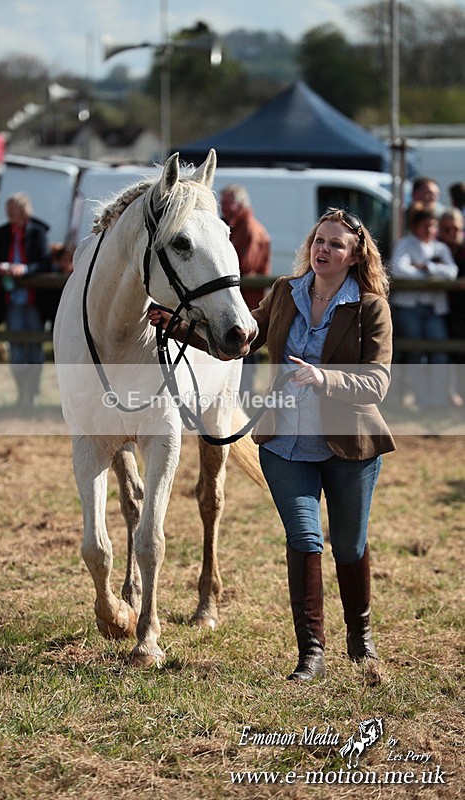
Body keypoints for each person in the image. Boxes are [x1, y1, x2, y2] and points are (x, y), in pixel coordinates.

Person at [149, 207, 395, 681]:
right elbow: (243, 338)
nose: (323, 249)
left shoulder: (369, 307)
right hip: (285, 444)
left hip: (350, 447)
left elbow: (378, 383)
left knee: (348, 546)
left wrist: (323, 378)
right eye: (319, 240)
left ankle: (360, 641)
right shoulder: (285, 292)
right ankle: (311, 654)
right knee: (304, 541)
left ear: (354, 256)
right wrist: (178, 327)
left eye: (335, 245)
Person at [0, 193, 51, 407]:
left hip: (33, 301)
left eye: (12, 209)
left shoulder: (38, 233)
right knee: (16, 349)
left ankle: (32, 393)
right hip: (11, 299)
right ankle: (21, 392)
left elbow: (44, 263)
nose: (9, 213)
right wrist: (0, 267)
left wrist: (25, 269)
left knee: (34, 348)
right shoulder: (1, 233)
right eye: (8, 209)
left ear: (23, 211)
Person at [390, 203, 459, 408]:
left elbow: (452, 272)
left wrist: (425, 267)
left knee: (439, 352)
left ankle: (437, 400)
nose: (429, 230)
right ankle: (422, 399)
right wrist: (433, 273)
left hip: (433, 309)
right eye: (425, 225)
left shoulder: (440, 247)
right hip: (409, 308)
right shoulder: (405, 243)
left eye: (433, 226)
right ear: (415, 226)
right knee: (415, 353)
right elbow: (399, 269)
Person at [220, 184, 271, 397]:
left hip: (246, 306)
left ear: (239, 203)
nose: (222, 207)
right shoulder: (240, 227)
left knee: (245, 353)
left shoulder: (249, 230)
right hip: (242, 305)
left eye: (227, 202)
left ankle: (244, 397)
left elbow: (244, 267)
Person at [438, 207, 465, 400]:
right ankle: (448, 394)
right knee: (445, 353)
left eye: (455, 229)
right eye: (446, 229)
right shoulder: (435, 248)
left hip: (461, 310)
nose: (452, 233)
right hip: (442, 309)